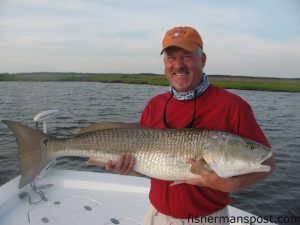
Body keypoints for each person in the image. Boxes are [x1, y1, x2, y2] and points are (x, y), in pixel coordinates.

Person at [105, 26, 276, 225]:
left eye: (186, 56)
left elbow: (268, 164)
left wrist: (227, 184)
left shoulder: (233, 106)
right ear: (165, 64)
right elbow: (150, 166)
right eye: (171, 58)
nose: (178, 65)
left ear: (202, 60)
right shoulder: (154, 105)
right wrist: (128, 168)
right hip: (156, 215)